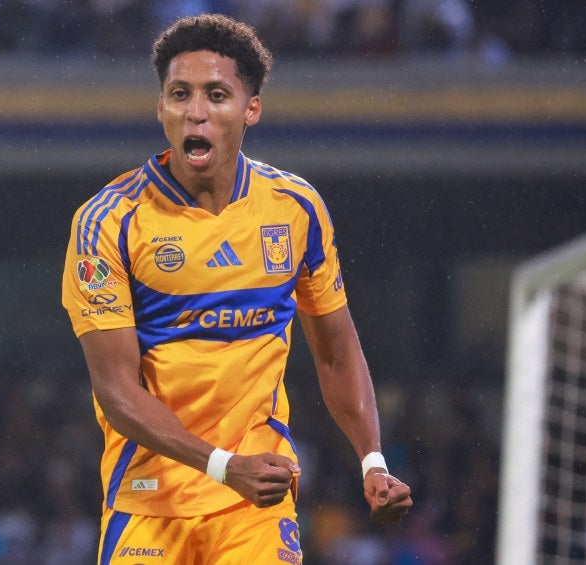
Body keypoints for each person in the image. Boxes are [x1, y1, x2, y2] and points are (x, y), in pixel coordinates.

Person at [61, 13, 412, 564]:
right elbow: (117, 391)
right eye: (180, 94)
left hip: (256, 500)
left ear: (252, 109)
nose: (195, 111)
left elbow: (336, 351)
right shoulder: (108, 222)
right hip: (150, 498)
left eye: (217, 94)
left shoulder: (295, 209)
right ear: (161, 108)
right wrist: (224, 466)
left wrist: (373, 461)